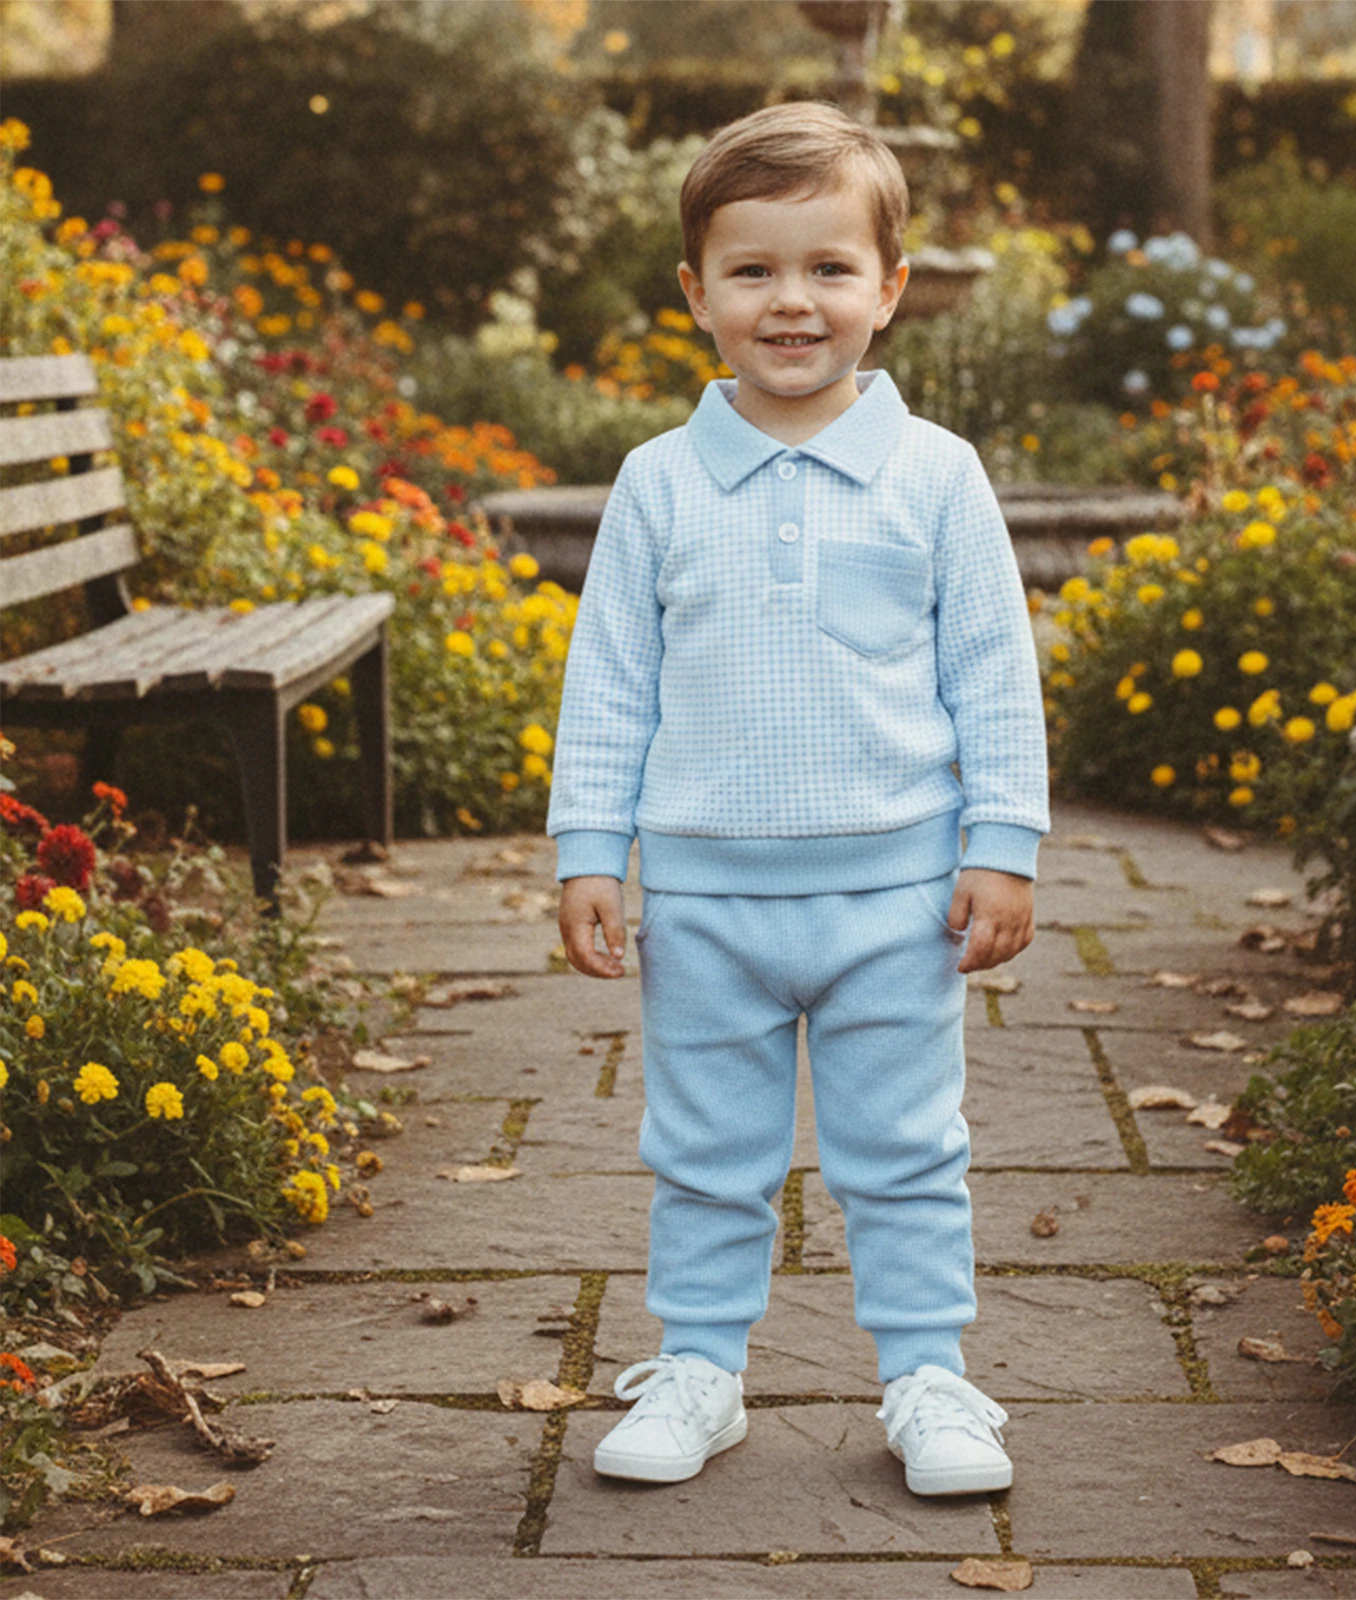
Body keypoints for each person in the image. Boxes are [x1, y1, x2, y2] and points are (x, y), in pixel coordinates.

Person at [547, 101, 1049, 1497]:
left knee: (903, 1152)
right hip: (705, 902)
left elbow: (995, 674)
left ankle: (929, 1378)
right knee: (707, 1153)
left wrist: (1000, 845)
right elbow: (610, 684)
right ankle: (700, 1368)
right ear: (695, 292)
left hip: (898, 893)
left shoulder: (937, 476)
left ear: (890, 290)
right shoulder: (658, 485)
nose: (792, 300)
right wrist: (593, 849)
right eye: (754, 269)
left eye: (829, 267)